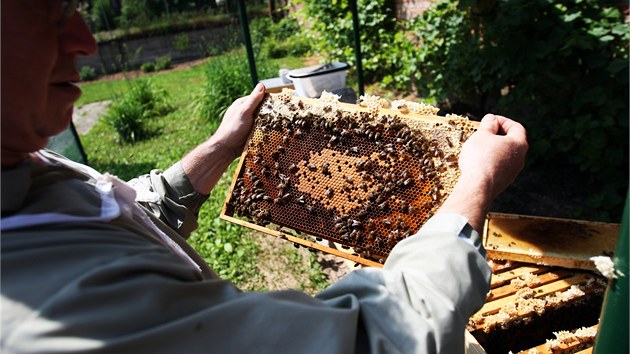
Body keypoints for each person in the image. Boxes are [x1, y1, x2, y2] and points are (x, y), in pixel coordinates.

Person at [1, 1, 528, 353]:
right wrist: (472, 187)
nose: (85, 39)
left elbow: (115, 221)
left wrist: (220, 149)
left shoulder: (19, 174)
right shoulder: (54, 309)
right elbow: (378, 340)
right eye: (46, 12)